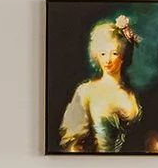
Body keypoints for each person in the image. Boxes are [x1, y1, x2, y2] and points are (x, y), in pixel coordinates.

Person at [58, 15, 143, 153]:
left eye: (114, 53)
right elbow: (72, 144)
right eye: (103, 54)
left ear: (123, 55)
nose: (107, 60)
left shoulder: (132, 93)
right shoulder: (86, 91)